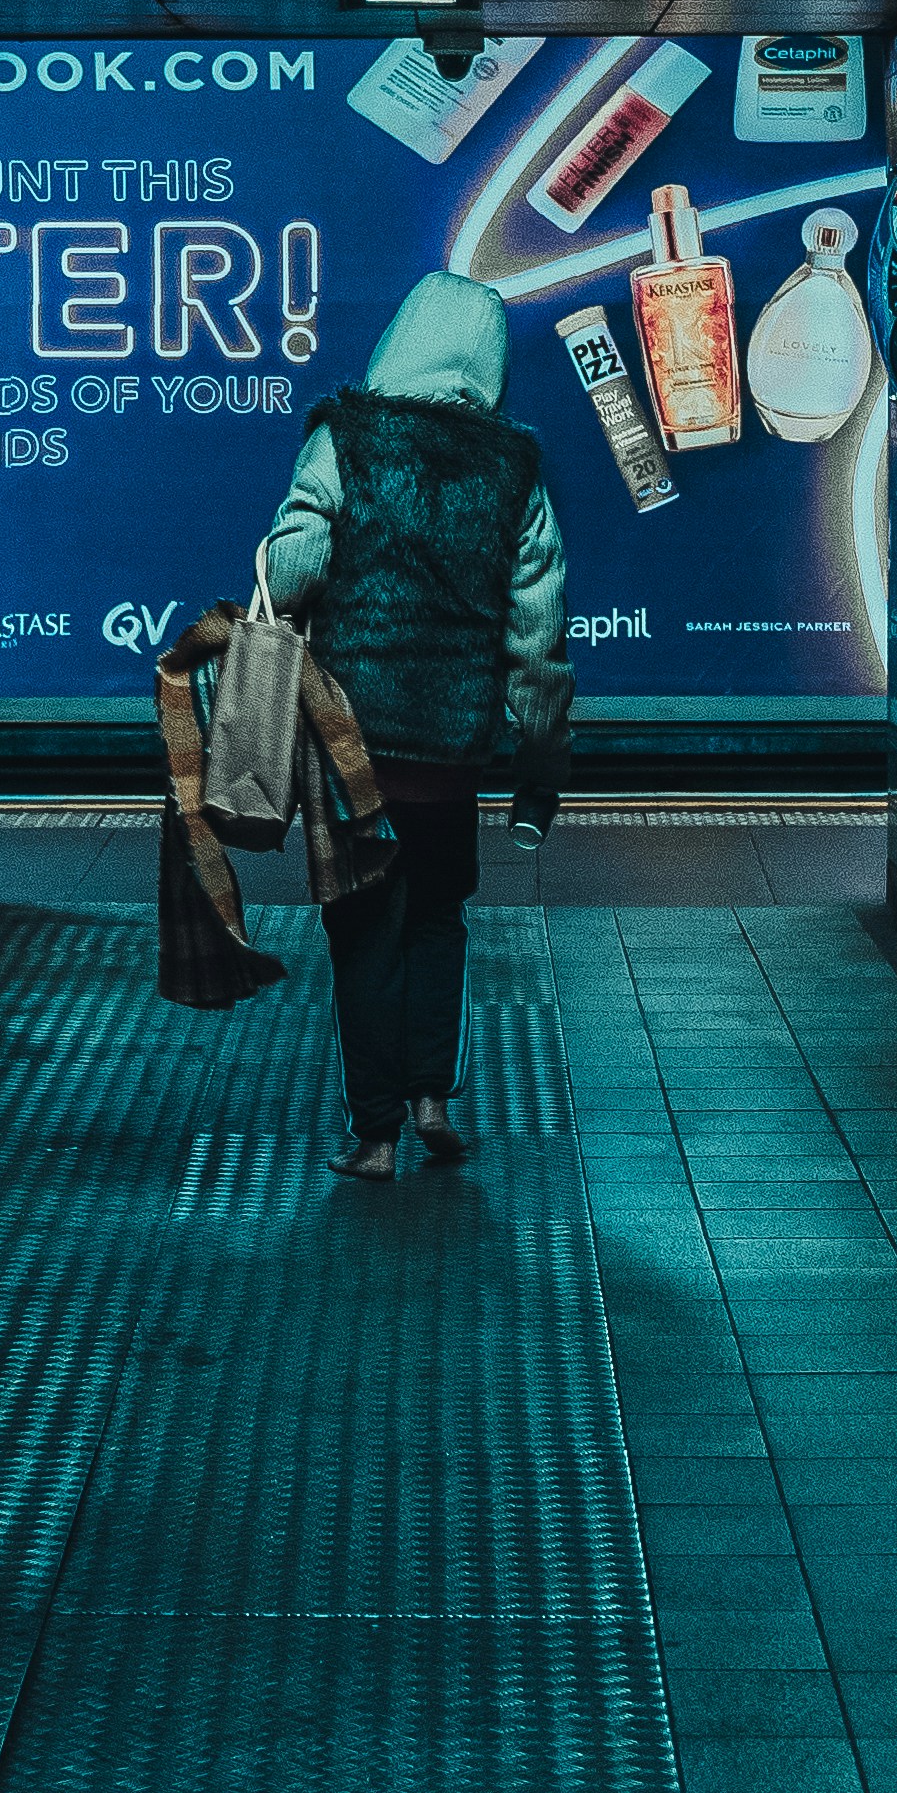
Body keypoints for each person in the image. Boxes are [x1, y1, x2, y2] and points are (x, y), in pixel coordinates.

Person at [263, 268, 573, 1178]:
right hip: (449, 748)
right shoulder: (512, 470)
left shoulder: (345, 440)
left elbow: (289, 573)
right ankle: (433, 1095)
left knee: (361, 927)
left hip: (349, 739)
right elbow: (538, 636)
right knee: (437, 913)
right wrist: (541, 769)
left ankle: (374, 1134)